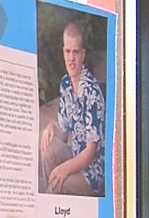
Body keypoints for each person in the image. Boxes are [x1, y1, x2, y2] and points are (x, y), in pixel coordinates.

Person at [39, 21, 105, 196]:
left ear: (82, 55)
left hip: (91, 173)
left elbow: (91, 152)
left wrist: (65, 169)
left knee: (56, 183)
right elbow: (64, 133)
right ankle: (52, 200)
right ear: (63, 52)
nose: (71, 59)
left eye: (75, 52)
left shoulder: (92, 92)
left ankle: (51, 204)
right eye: (67, 52)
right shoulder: (66, 84)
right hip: (74, 155)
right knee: (48, 147)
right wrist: (53, 127)